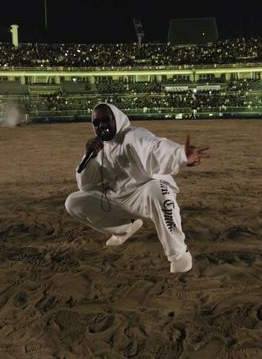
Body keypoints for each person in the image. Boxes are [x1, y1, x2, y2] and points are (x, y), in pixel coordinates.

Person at [65, 103, 209, 273]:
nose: (101, 126)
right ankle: (124, 228)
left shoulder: (133, 136)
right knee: (74, 202)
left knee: (159, 191)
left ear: (116, 119)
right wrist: (89, 157)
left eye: (106, 120)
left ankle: (179, 255)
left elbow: (155, 147)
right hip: (117, 197)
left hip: (144, 194)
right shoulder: (98, 148)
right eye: (96, 123)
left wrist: (180, 154)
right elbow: (86, 185)